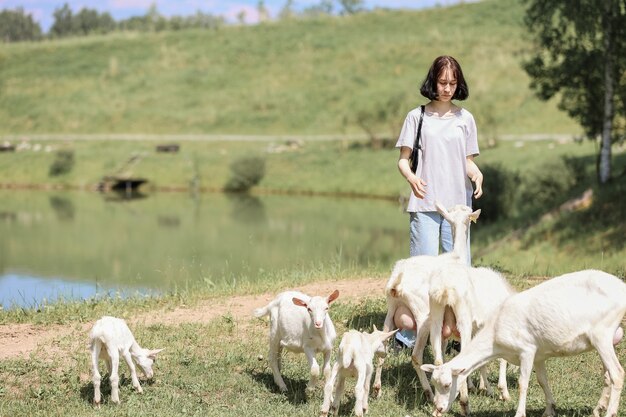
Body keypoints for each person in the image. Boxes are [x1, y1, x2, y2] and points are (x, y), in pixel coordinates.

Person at [393, 55, 483, 349]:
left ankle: (459, 334)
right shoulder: (416, 117)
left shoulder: (465, 119)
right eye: (442, 82)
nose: (447, 88)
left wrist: (477, 174)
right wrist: (411, 179)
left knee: (460, 273)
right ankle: (410, 336)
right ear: (433, 82)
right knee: (422, 273)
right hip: (424, 204)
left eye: (452, 83)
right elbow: (403, 161)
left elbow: (467, 162)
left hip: (458, 209)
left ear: (459, 85)